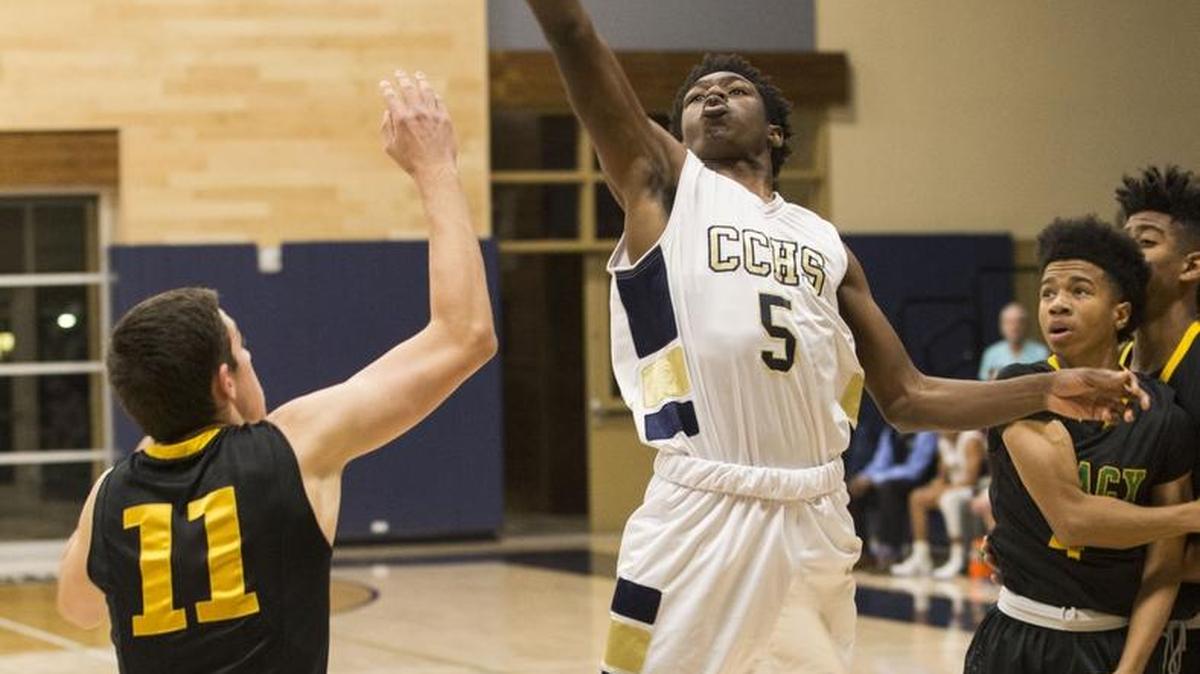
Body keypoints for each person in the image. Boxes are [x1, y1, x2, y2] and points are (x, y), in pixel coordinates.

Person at [523, 2, 1148, 671]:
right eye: (697, 97)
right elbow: (575, 37)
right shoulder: (666, 188)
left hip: (813, 520)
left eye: (734, 90)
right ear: (676, 133)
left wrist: (1047, 389)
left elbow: (909, 397)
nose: (713, 99)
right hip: (701, 511)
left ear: (775, 132)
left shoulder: (827, 246)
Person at [54, 71, 497, 673]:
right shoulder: (292, 448)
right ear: (224, 381)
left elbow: (77, 607)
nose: (251, 359)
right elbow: (465, 335)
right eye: (243, 350)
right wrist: (436, 169)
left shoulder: (110, 496)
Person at [965, 217, 1195, 674]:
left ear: (1121, 314)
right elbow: (1072, 521)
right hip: (1019, 633)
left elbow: (1165, 565)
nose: (1058, 304)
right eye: (1047, 293)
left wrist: (1130, 668)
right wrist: (1191, 515)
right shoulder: (1020, 386)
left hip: (1111, 640)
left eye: (1079, 291)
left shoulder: (1164, 415)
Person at [1115, 165, 1200, 669]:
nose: (1123, 254)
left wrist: (1100, 561)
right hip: (1116, 622)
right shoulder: (1109, 367)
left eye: (1144, 242)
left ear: (1192, 266)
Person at [891, 429, 985, 579]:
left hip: (975, 489)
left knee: (948, 499)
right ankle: (921, 556)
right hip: (952, 488)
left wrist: (944, 489)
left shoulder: (971, 439)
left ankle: (957, 557)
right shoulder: (943, 443)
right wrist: (936, 486)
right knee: (917, 497)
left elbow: (971, 479)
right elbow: (942, 476)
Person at [847, 428, 939, 570]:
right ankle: (863, 551)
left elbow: (915, 469)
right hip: (890, 479)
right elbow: (880, 463)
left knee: (888, 490)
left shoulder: (925, 432)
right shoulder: (890, 432)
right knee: (855, 490)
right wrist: (865, 477)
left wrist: (876, 479)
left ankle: (890, 550)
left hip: (920, 481)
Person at [978, 303, 1049, 381]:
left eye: (1019, 322)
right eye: (1009, 322)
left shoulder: (1041, 352)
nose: (1014, 327)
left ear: (1027, 325)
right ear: (1001, 326)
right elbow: (985, 382)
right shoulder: (991, 353)